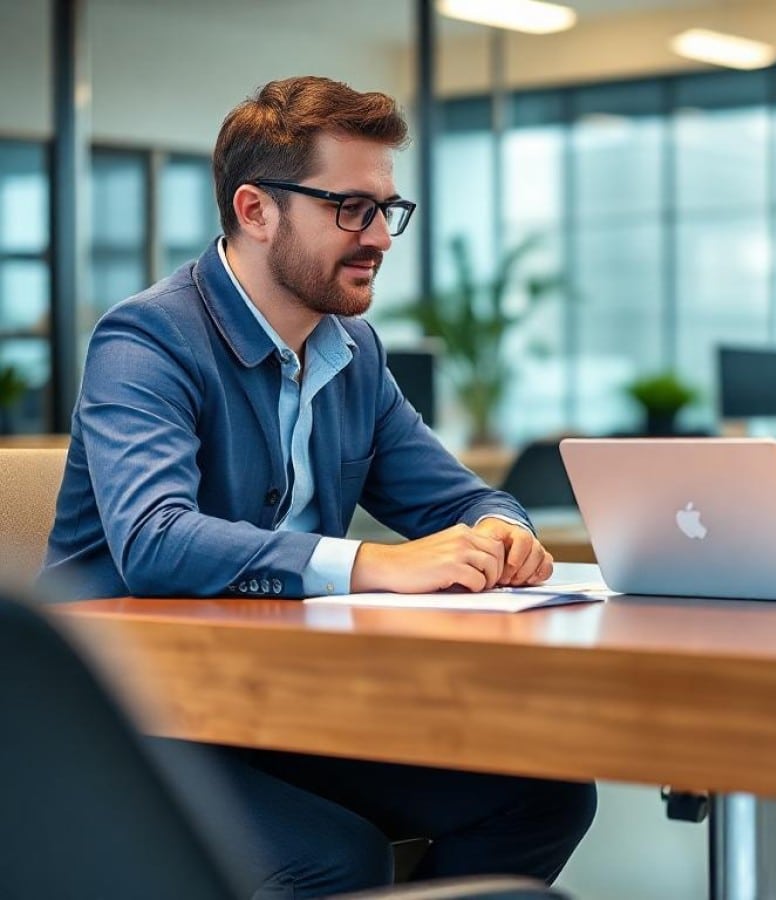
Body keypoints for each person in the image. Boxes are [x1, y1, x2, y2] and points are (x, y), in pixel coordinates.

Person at [41, 76, 595, 896]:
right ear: (256, 210)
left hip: (268, 701)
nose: (379, 236)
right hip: (124, 716)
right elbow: (155, 540)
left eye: (387, 209)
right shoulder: (148, 338)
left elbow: (461, 497)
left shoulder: (353, 352)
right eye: (351, 208)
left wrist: (500, 529)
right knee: (333, 856)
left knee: (542, 796)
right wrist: (370, 564)